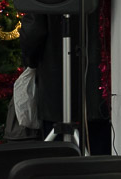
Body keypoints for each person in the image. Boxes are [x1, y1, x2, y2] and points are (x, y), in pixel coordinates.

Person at [19, 11, 110, 152]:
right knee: (99, 157)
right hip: (97, 94)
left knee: (59, 158)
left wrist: (29, 61)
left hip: (56, 94)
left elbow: (33, 31)